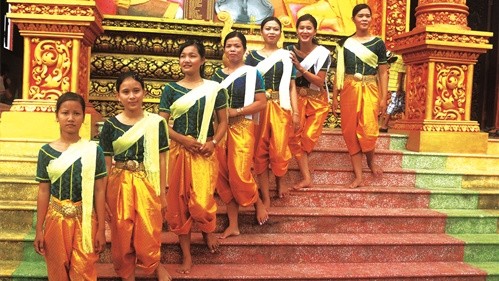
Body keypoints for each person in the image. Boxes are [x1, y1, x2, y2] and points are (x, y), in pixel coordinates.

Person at [159, 40, 228, 274]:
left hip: (204, 151)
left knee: (201, 201)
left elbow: (223, 122)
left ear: (202, 60)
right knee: (179, 203)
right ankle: (186, 255)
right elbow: (163, 125)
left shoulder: (214, 88)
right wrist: (183, 140)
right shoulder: (170, 90)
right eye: (182, 56)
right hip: (179, 150)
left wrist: (213, 142)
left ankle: (208, 230)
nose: (186, 60)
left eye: (191, 56)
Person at [99, 71, 171, 281]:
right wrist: (103, 196)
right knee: (121, 231)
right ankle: (126, 274)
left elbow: (162, 159)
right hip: (119, 183)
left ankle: (154, 264)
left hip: (147, 181)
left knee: (148, 229)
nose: (132, 96)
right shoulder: (110, 125)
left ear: (145, 92)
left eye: (136, 91)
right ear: (117, 96)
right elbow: (105, 164)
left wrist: (163, 192)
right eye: (126, 92)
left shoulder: (156, 123)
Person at [34, 92, 107, 280]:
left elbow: (99, 190)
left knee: (83, 271)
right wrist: (39, 229)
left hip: (85, 220)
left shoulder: (94, 150)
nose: (70, 118)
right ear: (56, 116)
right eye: (65, 113)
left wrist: (100, 229)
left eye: (76, 113)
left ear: (83, 117)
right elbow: (43, 191)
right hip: (55, 220)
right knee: (57, 271)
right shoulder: (46, 152)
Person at [211, 31, 268, 237]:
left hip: (243, 126)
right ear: (224, 49)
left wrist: (237, 111)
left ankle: (258, 202)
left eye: (237, 46)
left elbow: (262, 102)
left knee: (240, 173)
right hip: (221, 130)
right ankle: (233, 225)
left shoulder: (253, 73)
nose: (233, 49)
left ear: (244, 49)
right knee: (224, 176)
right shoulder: (216, 75)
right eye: (229, 46)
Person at [332, 3, 389, 189]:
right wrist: (334, 98)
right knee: (350, 131)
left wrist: (383, 97)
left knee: (369, 130)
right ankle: (358, 176)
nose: (364, 19)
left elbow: (383, 72)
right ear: (353, 19)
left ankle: (371, 162)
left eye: (367, 16)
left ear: (371, 19)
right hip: (349, 88)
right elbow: (338, 73)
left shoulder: (378, 43)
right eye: (360, 16)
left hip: (371, 87)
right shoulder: (344, 44)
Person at [245, 16, 300, 208]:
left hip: (280, 106)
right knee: (259, 150)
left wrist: (296, 112)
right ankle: (265, 194)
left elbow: (292, 85)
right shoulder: (252, 57)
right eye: (267, 28)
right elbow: (247, 85)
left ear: (280, 32)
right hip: (258, 107)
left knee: (279, 149)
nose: (271, 32)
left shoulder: (287, 56)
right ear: (261, 31)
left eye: (275, 29)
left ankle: (280, 181)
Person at [287, 13, 331, 190]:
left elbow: (319, 81)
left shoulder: (323, 53)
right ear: (296, 30)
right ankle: (306, 177)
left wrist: (300, 68)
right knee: (295, 138)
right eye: (301, 28)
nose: (304, 31)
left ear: (314, 31)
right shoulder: (288, 51)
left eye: (308, 28)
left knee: (307, 137)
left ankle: (305, 175)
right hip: (295, 99)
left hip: (316, 101)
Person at [379, 51, 406, 132]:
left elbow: (399, 74)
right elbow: (399, 74)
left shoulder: (397, 59)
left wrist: (399, 88)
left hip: (395, 86)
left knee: (399, 105)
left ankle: (384, 124)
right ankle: (384, 125)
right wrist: (399, 88)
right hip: (396, 87)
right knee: (395, 105)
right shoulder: (398, 60)